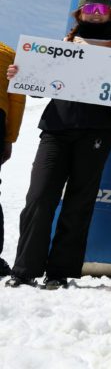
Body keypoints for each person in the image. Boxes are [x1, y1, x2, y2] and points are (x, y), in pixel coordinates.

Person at [5, 0, 111, 289]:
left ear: (110, 13)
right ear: (80, 12)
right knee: (39, 197)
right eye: (90, 7)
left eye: (101, 7)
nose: (95, 13)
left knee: (79, 202)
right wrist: (20, 74)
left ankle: (59, 272)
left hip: (95, 133)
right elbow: (38, 81)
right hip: (56, 130)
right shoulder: (64, 43)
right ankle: (24, 270)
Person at [0, 41, 26, 277]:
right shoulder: (8, 53)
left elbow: (17, 96)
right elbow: (16, 99)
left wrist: (9, 138)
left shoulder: (9, 55)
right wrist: (9, 138)